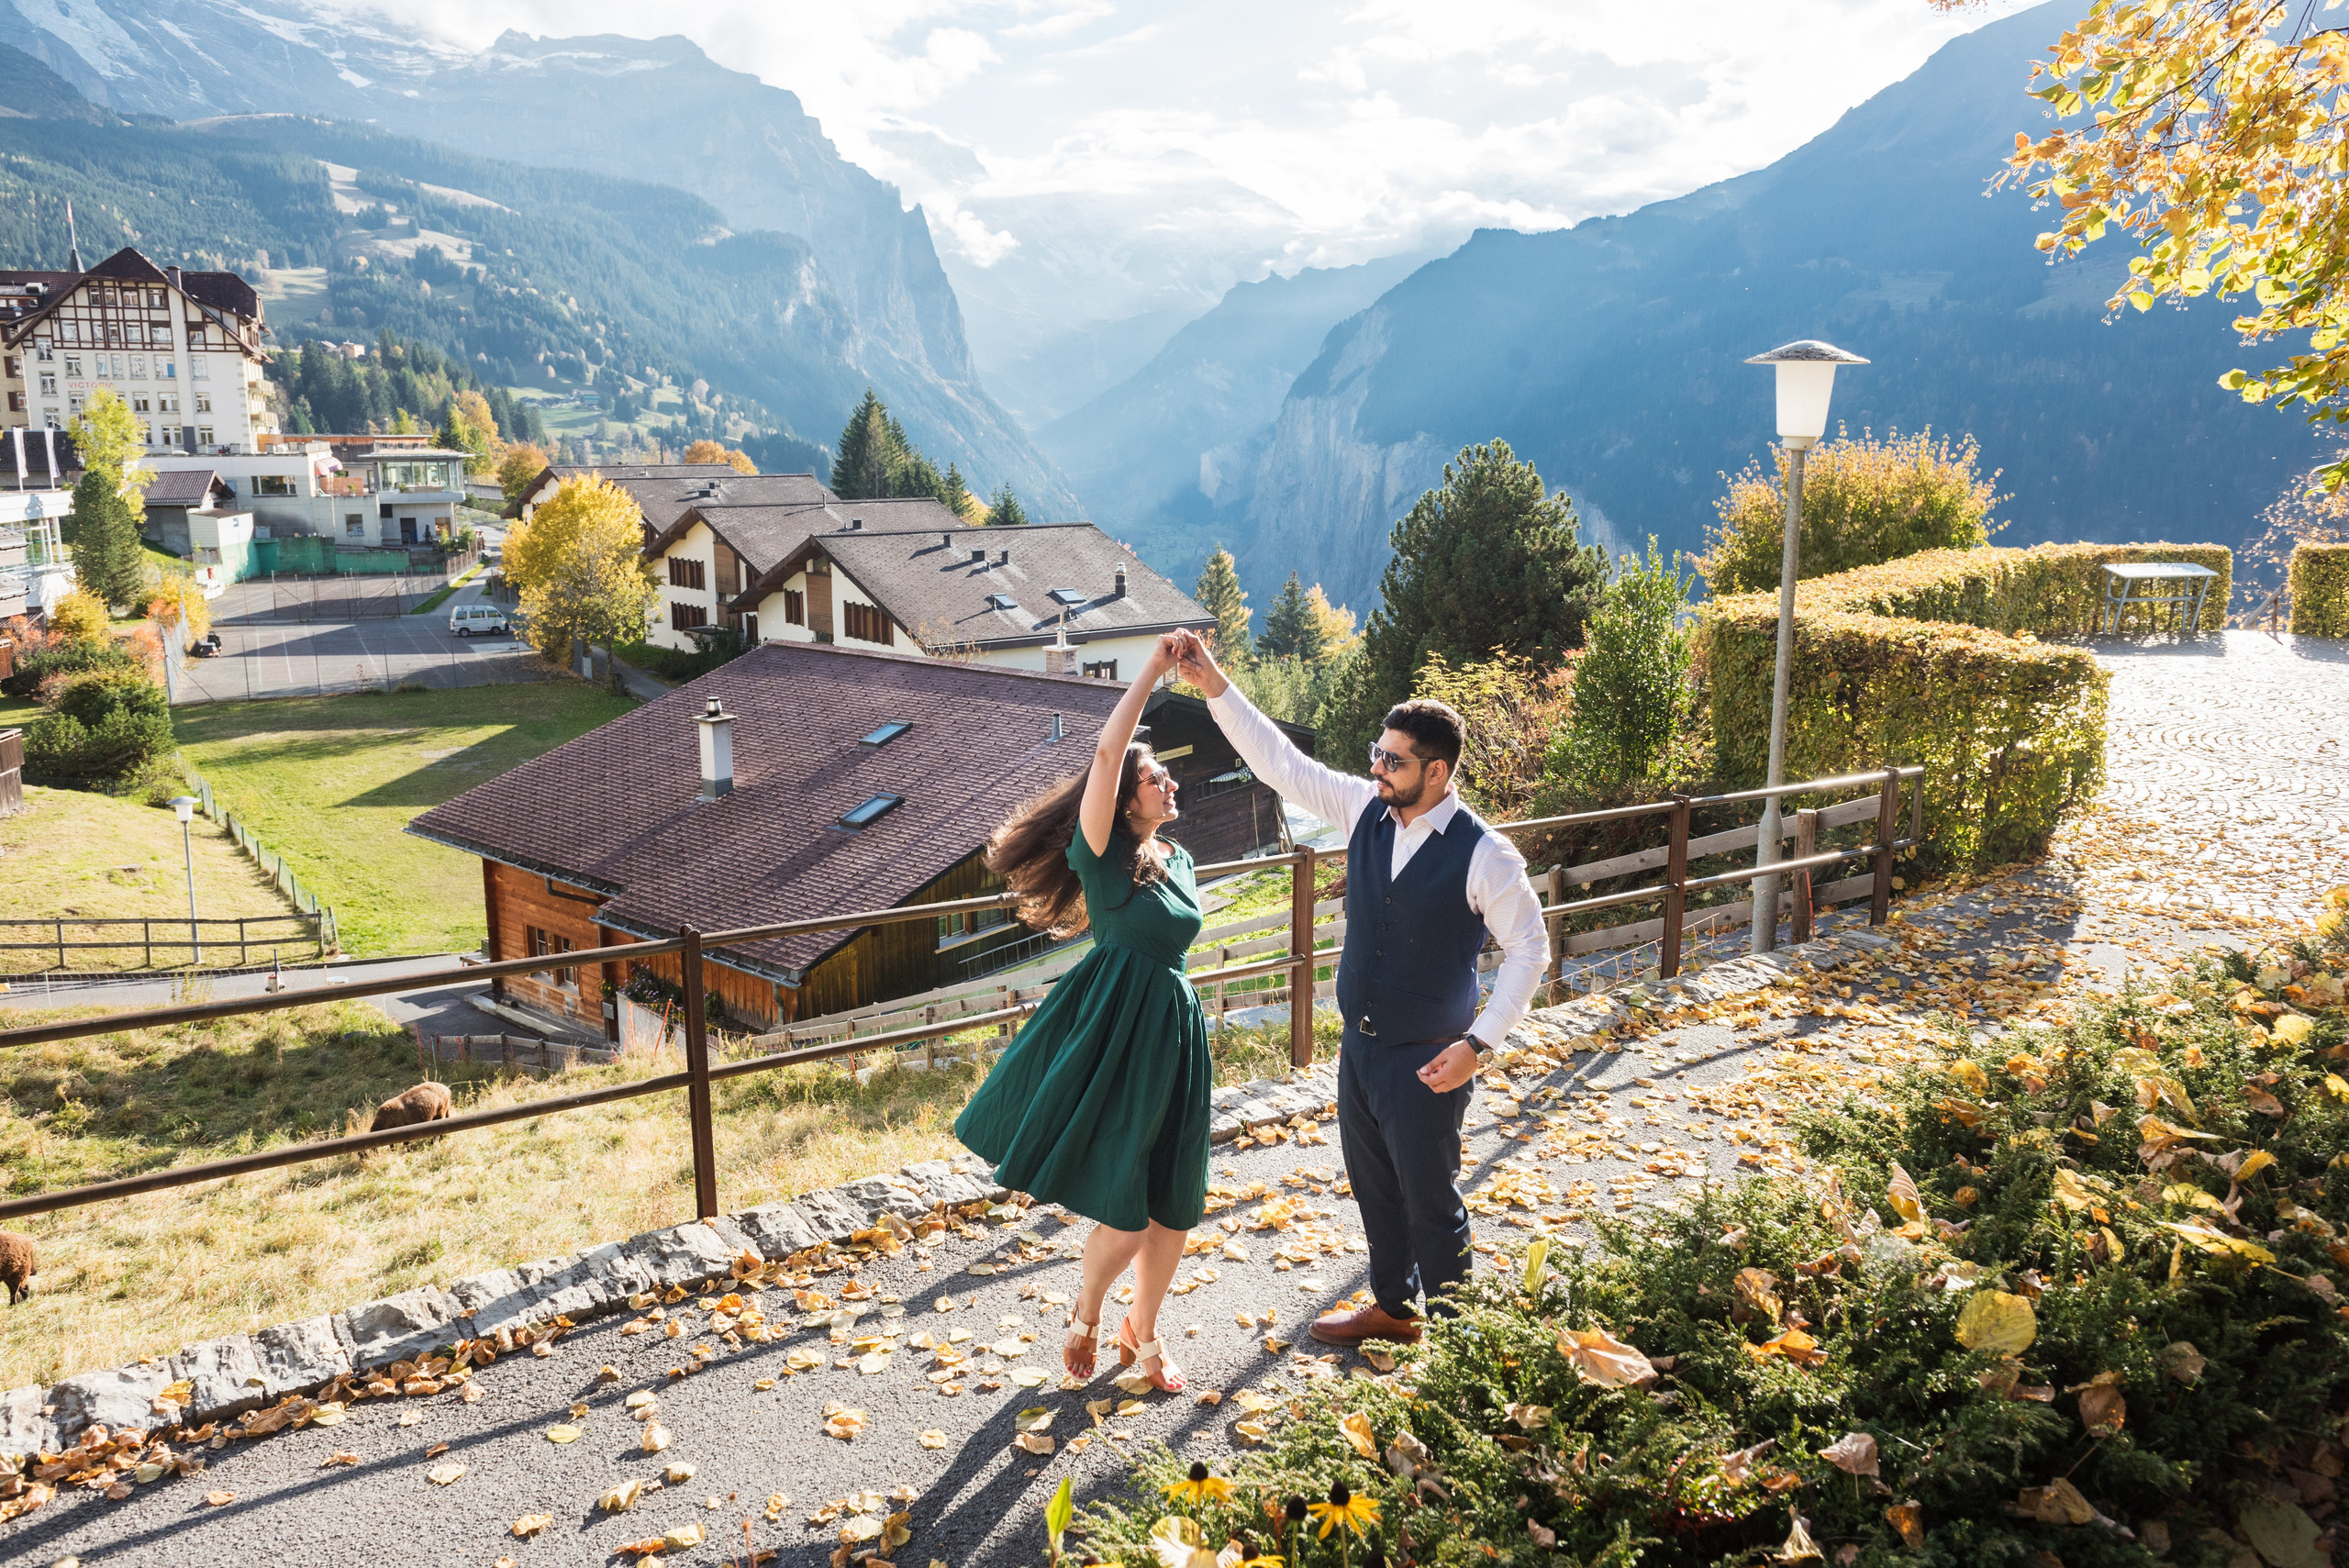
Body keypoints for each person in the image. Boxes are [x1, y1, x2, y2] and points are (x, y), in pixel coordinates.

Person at [1170, 628, 1550, 1345]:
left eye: (1393, 759)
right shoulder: (1363, 809)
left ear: (1435, 772)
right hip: (1361, 1049)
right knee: (1374, 1188)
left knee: (1430, 1202)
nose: (1377, 765)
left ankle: (1466, 1343)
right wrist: (1213, 681)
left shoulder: (1486, 854)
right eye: (1377, 753)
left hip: (1431, 1057)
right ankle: (1396, 1310)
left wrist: (1480, 1043)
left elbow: (1532, 948)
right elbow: (1279, 760)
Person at [953, 632, 1208, 1391]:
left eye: (1163, 772)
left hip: (1174, 1034)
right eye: (1154, 773)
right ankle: (1092, 1307)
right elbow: (1107, 756)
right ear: (1129, 795)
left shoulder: (1181, 858)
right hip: (1119, 1034)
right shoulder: (1100, 854)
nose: (1167, 779)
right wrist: (1153, 673)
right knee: (1128, 1212)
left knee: (1175, 1205)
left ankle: (1145, 1331)